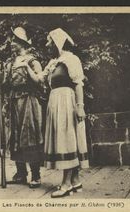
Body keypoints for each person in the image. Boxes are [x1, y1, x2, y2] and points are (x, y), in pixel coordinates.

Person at [0, 27, 45, 188]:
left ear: (22, 43)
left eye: (15, 41)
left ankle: (35, 174)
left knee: (29, 135)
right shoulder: (10, 63)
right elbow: (5, 85)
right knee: (15, 136)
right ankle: (21, 173)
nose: (11, 43)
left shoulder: (32, 60)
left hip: (29, 102)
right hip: (14, 102)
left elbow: (41, 82)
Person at [42, 28, 89, 198]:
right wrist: (25, 66)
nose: (47, 44)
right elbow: (40, 78)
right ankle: (75, 180)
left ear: (57, 42)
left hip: (67, 102)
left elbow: (78, 84)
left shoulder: (71, 59)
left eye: (49, 41)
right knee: (64, 139)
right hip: (55, 103)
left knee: (66, 140)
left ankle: (66, 183)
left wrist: (80, 106)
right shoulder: (54, 62)